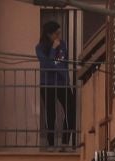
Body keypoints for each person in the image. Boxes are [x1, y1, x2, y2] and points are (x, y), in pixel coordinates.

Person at [38, 20, 75, 150]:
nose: (59, 36)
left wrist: (53, 63)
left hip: (62, 83)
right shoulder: (40, 47)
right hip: (47, 84)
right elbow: (47, 66)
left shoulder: (63, 45)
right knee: (50, 114)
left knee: (71, 110)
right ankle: (51, 144)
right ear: (49, 34)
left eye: (59, 33)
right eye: (56, 33)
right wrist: (53, 49)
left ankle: (65, 142)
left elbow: (60, 63)